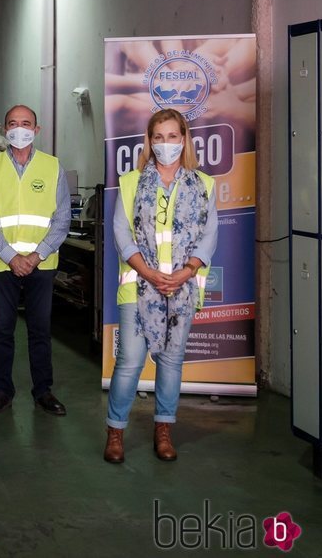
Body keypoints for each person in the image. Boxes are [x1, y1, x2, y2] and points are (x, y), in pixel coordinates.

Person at [103, 108, 217, 463]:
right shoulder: (131, 181)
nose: (165, 144)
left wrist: (186, 272)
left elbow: (209, 234)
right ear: (149, 142)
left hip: (181, 290)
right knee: (129, 362)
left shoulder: (204, 184)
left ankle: (163, 429)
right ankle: (115, 432)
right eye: (158, 137)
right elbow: (122, 232)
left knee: (171, 362)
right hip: (138, 286)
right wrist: (149, 273)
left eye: (172, 136)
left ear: (183, 140)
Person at [0, 105, 70, 417]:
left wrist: (35, 256)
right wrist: (12, 257)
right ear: (5, 130)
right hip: (3, 265)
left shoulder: (53, 167)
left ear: (36, 130)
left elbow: (62, 219)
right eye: (13, 124)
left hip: (41, 265)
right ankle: (2, 390)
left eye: (26, 123)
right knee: (2, 330)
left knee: (40, 330)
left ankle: (43, 390)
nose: (19, 129)